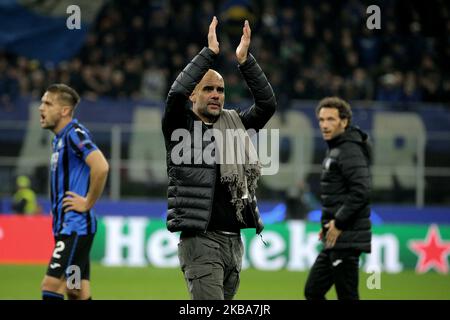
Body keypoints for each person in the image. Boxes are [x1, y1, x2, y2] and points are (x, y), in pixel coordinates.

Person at [162, 16, 276, 300]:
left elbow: (266, 104)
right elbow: (175, 93)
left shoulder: (235, 124)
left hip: (234, 242)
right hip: (201, 241)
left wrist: (245, 61)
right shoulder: (181, 127)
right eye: (208, 89)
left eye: (220, 90)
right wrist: (208, 54)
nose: (216, 95)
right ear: (193, 95)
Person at [39, 84, 109, 300]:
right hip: (65, 225)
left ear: (64, 111)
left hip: (75, 227)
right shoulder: (58, 139)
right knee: (75, 290)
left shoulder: (73, 134)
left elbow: (101, 166)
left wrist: (88, 202)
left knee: (50, 286)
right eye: (42, 102)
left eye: (48, 103)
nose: (41, 108)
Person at [304, 97, 372, 300]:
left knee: (347, 295)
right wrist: (327, 223)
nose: (325, 125)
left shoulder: (349, 149)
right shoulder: (337, 147)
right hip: (334, 236)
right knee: (313, 291)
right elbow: (339, 193)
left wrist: (339, 222)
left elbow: (361, 190)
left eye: (330, 119)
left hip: (346, 237)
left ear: (344, 122)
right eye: (321, 120)